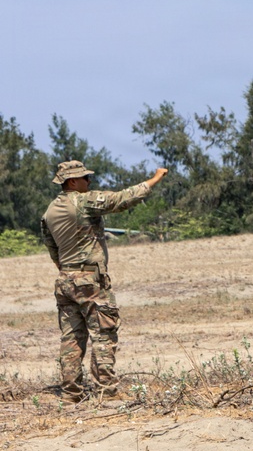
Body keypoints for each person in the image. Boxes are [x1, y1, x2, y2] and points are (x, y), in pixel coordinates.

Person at [40, 161, 169, 402]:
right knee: (103, 334)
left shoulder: (49, 211)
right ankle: (106, 392)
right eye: (85, 178)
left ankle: (71, 394)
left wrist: (71, 270)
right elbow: (121, 199)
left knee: (71, 339)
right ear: (72, 182)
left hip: (65, 281)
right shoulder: (83, 201)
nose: (89, 182)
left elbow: (53, 251)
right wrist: (154, 180)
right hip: (89, 281)